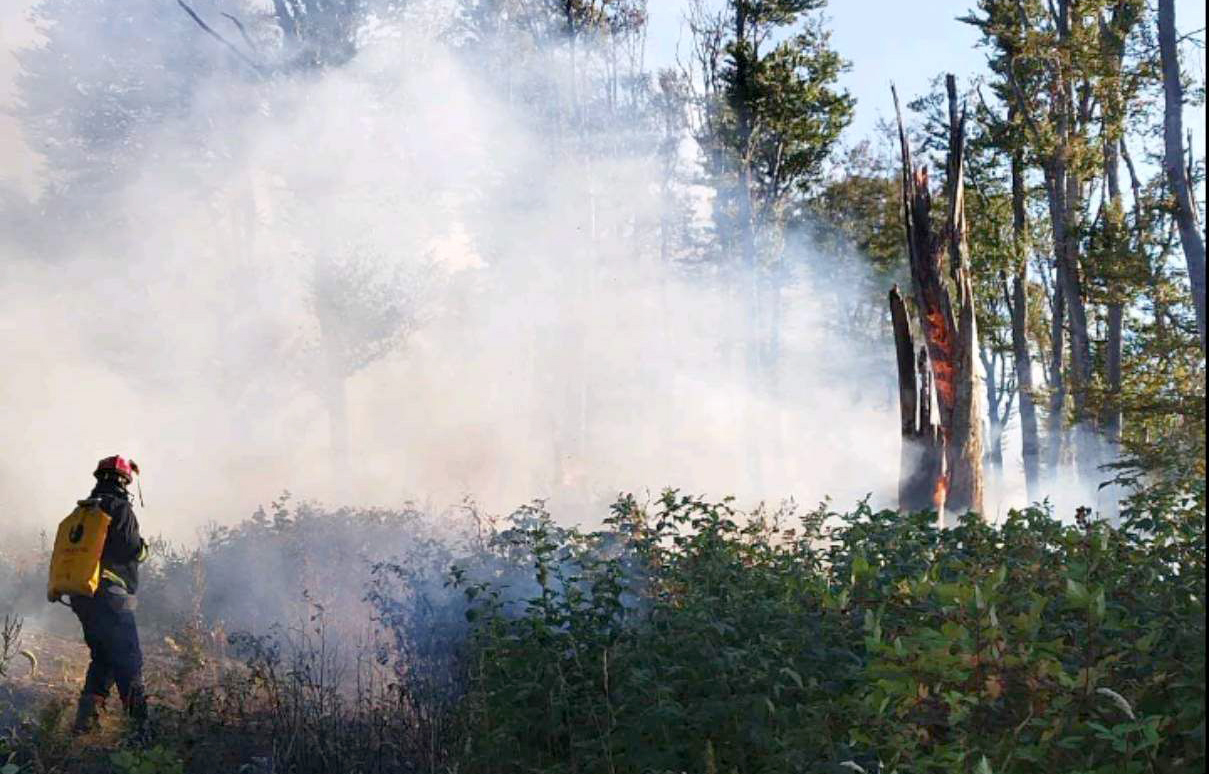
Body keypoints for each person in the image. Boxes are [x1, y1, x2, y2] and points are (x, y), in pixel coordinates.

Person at [70, 455, 149, 734]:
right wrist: (144, 548)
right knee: (129, 659)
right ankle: (140, 733)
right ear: (123, 481)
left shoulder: (84, 511)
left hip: (82, 597)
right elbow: (131, 549)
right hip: (112, 596)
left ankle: (84, 727)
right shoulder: (120, 508)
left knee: (103, 657)